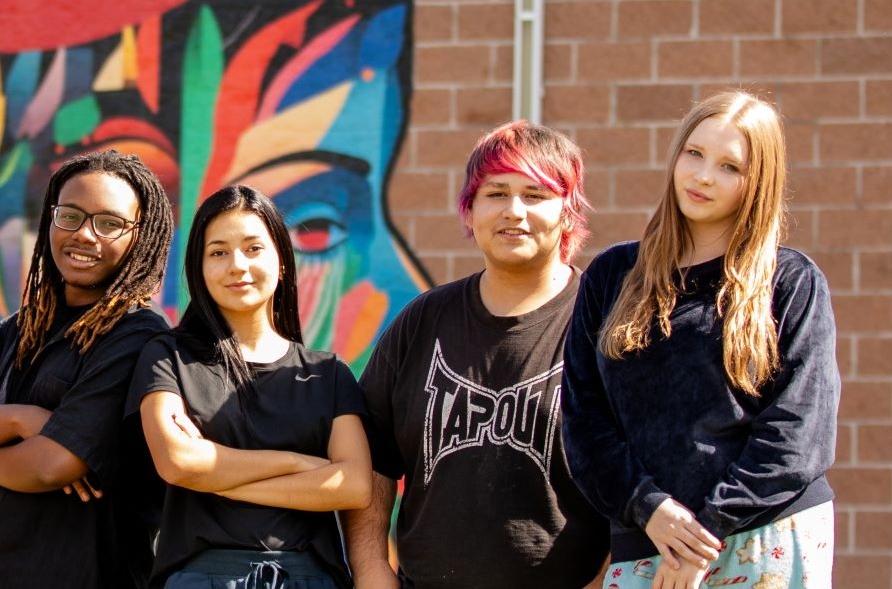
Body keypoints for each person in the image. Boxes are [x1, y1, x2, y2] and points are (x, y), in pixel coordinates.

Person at [562, 91, 837, 589]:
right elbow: (584, 422)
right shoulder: (611, 276)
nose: (704, 176)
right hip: (648, 537)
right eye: (695, 154)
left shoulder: (791, 281)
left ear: (759, 182)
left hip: (762, 536)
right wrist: (649, 508)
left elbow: (798, 432)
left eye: (730, 166)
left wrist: (705, 532)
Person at [342, 121, 610, 589]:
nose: (514, 211)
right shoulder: (422, 322)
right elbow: (373, 459)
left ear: (568, 212)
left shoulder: (604, 325)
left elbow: (638, 474)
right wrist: (370, 569)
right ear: (470, 209)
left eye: (535, 194)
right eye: (496, 193)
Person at [0, 149, 176, 588]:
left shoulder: (137, 338)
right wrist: (23, 419)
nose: (85, 235)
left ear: (141, 237)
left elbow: (51, 465)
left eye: (110, 223)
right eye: (70, 215)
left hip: (87, 572)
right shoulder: (17, 331)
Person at [133, 185, 373, 588]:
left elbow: (353, 486)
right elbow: (178, 463)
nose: (237, 265)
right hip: (201, 576)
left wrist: (214, 475)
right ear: (199, 268)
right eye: (218, 252)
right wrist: (298, 464)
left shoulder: (328, 374)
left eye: (253, 248)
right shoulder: (168, 356)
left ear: (282, 261)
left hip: (308, 577)